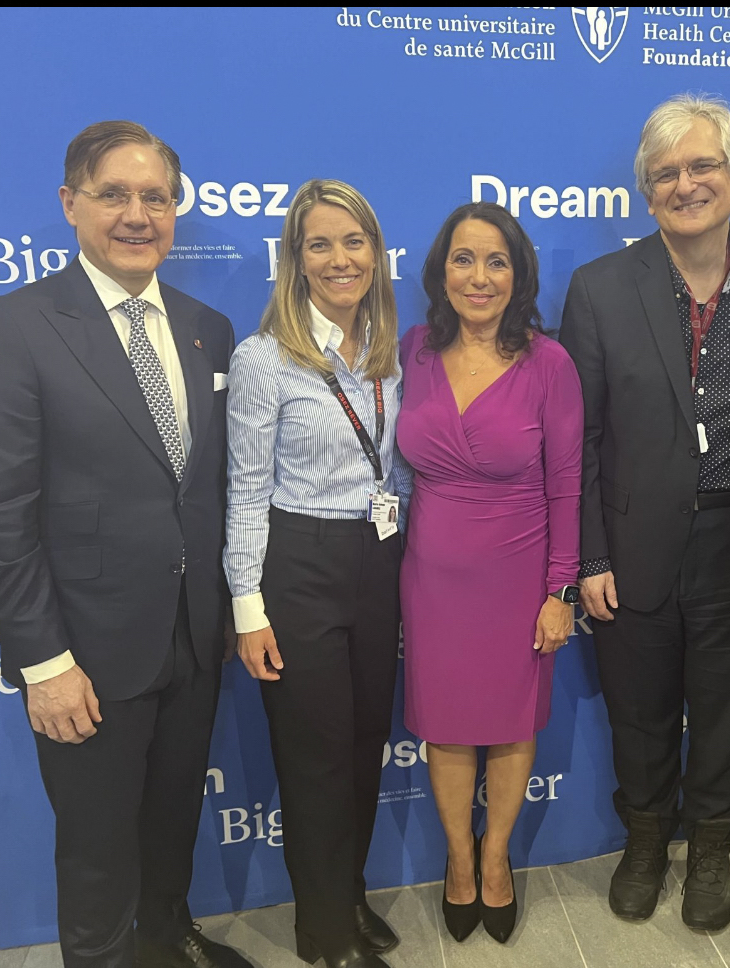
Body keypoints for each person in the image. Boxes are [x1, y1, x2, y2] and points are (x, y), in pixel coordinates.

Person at [0, 121, 250, 968]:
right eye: (114, 194)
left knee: (172, 816)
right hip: (84, 656)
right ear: (70, 203)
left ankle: (168, 932)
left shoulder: (206, 328)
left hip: (192, 639)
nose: (136, 214)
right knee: (94, 849)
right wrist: (44, 664)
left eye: (155, 197)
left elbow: (208, 489)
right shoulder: (13, 325)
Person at [559, 93, 730, 928]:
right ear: (645, 192)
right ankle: (643, 838)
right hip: (631, 543)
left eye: (702, 166)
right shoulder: (597, 290)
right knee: (639, 705)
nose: (684, 183)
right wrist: (589, 557)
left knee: (728, 709)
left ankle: (709, 848)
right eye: (664, 172)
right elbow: (579, 439)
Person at [224, 179, 409, 968]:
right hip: (298, 565)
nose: (340, 259)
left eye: (353, 241)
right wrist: (247, 605)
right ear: (294, 261)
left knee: (366, 742)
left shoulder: (396, 352)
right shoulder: (263, 359)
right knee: (317, 757)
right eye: (319, 244)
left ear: (376, 252)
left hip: (381, 561)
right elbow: (244, 490)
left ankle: (350, 897)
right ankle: (322, 931)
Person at [397, 201, 583, 944]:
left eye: (496, 261)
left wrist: (558, 591)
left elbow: (566, 482)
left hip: (518, 581)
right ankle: (457, 862)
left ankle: (497, 860)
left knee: (508, 731)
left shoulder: (549, 363)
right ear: (441, 271)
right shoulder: (410, 349)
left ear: (518, 275)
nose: (479, 276)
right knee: (445, 731)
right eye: (464, 259)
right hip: (431, 583)